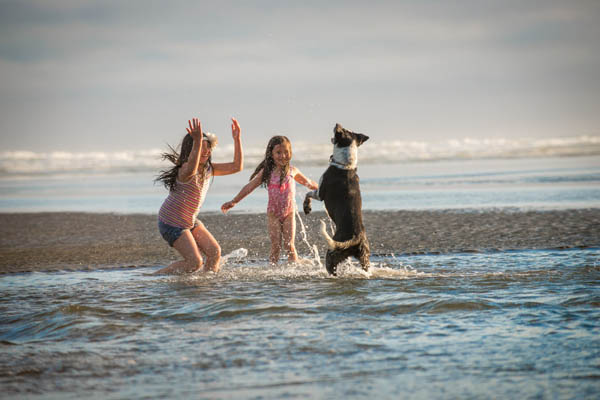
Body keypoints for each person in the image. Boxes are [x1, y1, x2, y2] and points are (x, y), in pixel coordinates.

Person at [154, 117, 243, 274]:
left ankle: (207, 283)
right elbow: (192, 169)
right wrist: (196, 141)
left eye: (208, 148)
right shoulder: (185, 170)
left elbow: (237, 167)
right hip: (171, 223)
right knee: (194, 262)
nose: (206, 151)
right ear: (191, 149)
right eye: (201, 148)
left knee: (215, 252)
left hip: (190, 220)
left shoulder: (209, 169)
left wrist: (237, 139)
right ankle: (154, 276)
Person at [221, 136, 318, 264]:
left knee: (289, 245)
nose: (283, 156)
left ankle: (294, 270)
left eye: (286, 152)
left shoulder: (292, 171)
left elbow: (309, 183)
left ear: (290, 153)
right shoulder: (267, 172)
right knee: (276, 246)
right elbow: (249, 187)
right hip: (273, 215)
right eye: (278, 152)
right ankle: (273, 270)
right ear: (271, 154)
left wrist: (324, 189)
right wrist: (234, 201)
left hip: (289, 213)